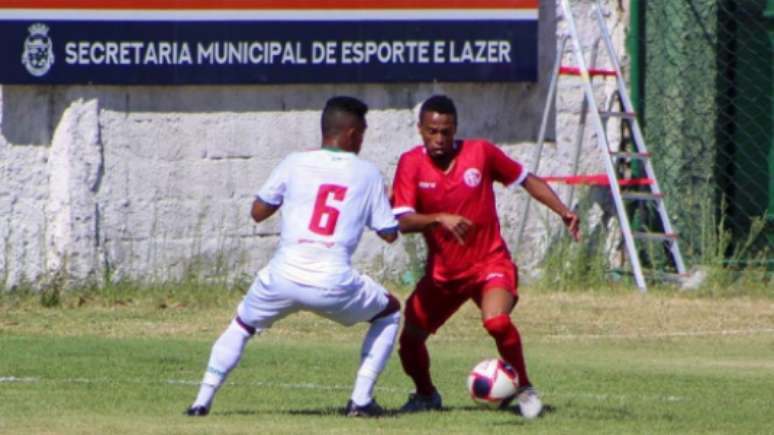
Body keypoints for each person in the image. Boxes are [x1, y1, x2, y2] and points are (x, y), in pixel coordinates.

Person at [186, 96, 402, 418]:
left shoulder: (293, 162)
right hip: (333, 282)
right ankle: (360, 400)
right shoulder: (367, 174)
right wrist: (386, 204)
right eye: (363, 134)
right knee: (390, 312)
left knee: (242, 324)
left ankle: (201, 402)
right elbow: (389, 233)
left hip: (283, 276)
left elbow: (257, 212)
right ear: (353, 133)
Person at [391, 95, 580, 419]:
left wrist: (562, 210)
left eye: (446, 132)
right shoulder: (410, 164)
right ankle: (425, 395)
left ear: (456, 129)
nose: (439, 139)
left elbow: (526, 179)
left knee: (496, 321)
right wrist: (438, 218)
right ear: (420, 130)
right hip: (443, 276)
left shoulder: (480, 153)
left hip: (489, 264)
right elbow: (402, 220)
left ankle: (525, 389)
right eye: (432, 131)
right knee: (409, 342)